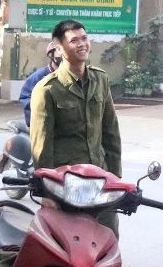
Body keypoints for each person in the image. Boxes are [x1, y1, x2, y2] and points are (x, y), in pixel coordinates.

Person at [30, 19, 122, 233]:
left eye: (84, 38)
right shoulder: (47, 89)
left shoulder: (101, 80)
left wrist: (116, 181)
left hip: (101, 182)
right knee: (71, 245)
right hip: (67, 186)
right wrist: (47, 192)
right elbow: (41, 148)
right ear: (60, 50)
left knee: (106, 241)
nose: (82, 44)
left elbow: (111, 134)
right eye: (74, 41)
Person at [18, 43, 61, 128]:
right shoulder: (38, 77)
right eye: (58, 51)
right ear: (51, 55)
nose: (63, 55)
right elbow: (25, 98)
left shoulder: (73, 76)